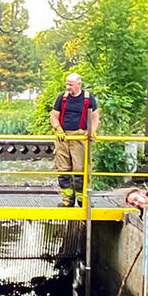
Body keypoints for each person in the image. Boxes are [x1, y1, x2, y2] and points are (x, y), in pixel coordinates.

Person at [50, 73, 100, 207]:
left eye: (71, 85)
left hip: (80, 136)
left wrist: (92, 131)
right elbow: (54, 116)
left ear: (79, 84)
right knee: (63, 170)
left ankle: (83, 201)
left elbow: (95, 117)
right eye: (67, 84)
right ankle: (67, 201)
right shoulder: (62, 98)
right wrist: (58, 129)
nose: (68, 87)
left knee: (80, 170)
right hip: (63, 137)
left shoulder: (88, 98)